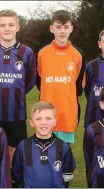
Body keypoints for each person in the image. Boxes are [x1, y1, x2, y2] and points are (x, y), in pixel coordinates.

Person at [0, 9, 36, 163]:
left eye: (11, 25)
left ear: (18, 27)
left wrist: (17, 91)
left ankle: (14, 182)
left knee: (16, 151)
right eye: (3, 25)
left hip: (17, 111)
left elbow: (30, 80)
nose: (7, 28)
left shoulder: (27, 52)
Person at [36, 10, 86, 144]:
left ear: (71, 29)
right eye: (58, 27)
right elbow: (38, 81)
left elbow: (79, 86)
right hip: (45, 113)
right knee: (44, 154)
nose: (62, 31)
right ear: (51, 29)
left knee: (63, 155)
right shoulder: (42, 53)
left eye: (65, 27)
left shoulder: (78, 55)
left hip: (67, 114)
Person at [12, 102, 76, 188]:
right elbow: (17, 174)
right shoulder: (23, 146)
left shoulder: (63, 146)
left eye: (48, 118)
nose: (43, 123)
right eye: (38, 119)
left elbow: (67, 175)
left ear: (55, 122)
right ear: (31, 122)